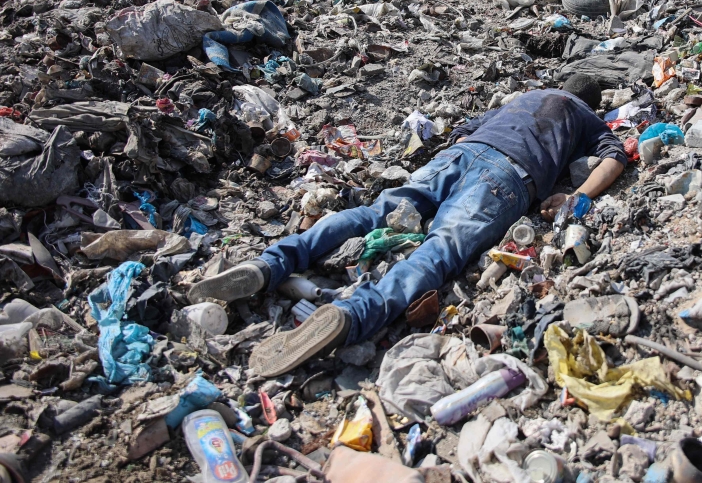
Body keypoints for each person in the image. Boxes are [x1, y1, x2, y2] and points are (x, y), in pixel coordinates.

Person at [188, 74, 627, 377]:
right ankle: (353, 315)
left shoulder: (525, 97)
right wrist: (576, 195)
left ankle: (272, 263)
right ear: (586, 99)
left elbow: (463, 130)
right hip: (506, 178)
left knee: (375, 213)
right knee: (440, 249)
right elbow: (615, 155)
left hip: (460, 155)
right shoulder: (582, 112)